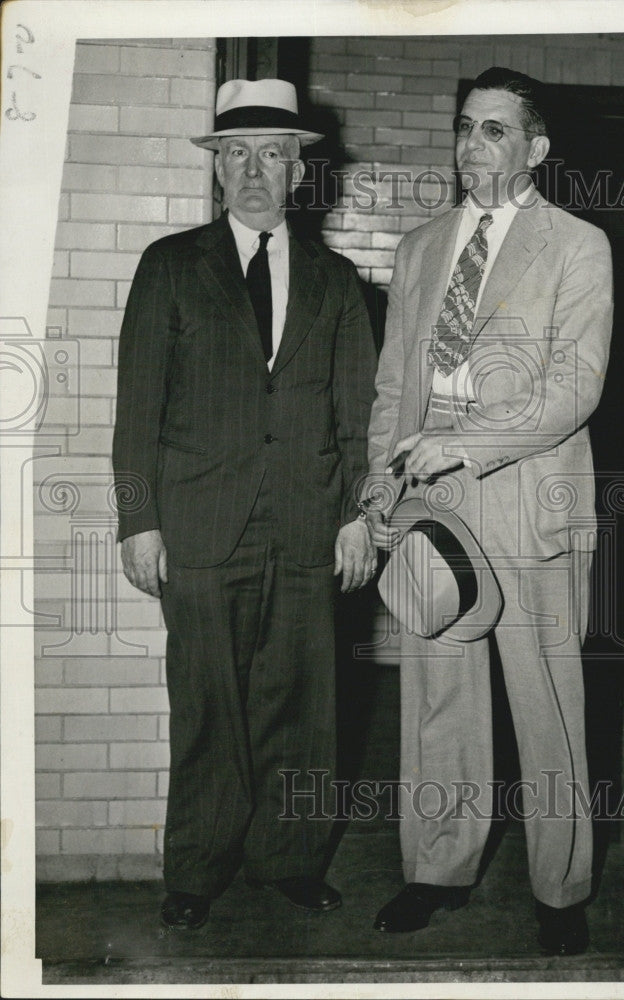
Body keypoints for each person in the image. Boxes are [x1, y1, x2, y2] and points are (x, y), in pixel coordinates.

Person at [112, 78, 377, 930]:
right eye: (235, 154)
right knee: (205, 703)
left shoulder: (339, 282)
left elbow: (359, 413)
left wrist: (359, 515)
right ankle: (196, 868)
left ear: (299, 169)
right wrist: (137, 519)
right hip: (196, 524)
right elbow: (134, 412)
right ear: (217, 169)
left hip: (307, 521)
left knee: (303, 705)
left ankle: (291, 861)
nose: (253, 171)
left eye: (272, 153)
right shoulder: (169, 265)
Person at [361, 67, 613, 954]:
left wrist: (468, 442)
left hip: (528, 503)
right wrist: (378, 496)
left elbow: (574, 389)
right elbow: (394, 388)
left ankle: (561, 886)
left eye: (496, 131)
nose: (473, 146)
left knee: (546, 705)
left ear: (536, 148)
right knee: (438, 704)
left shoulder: (576, 246)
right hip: (433, 510)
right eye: (466, 128)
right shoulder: (420, 248)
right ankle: (436, 869)